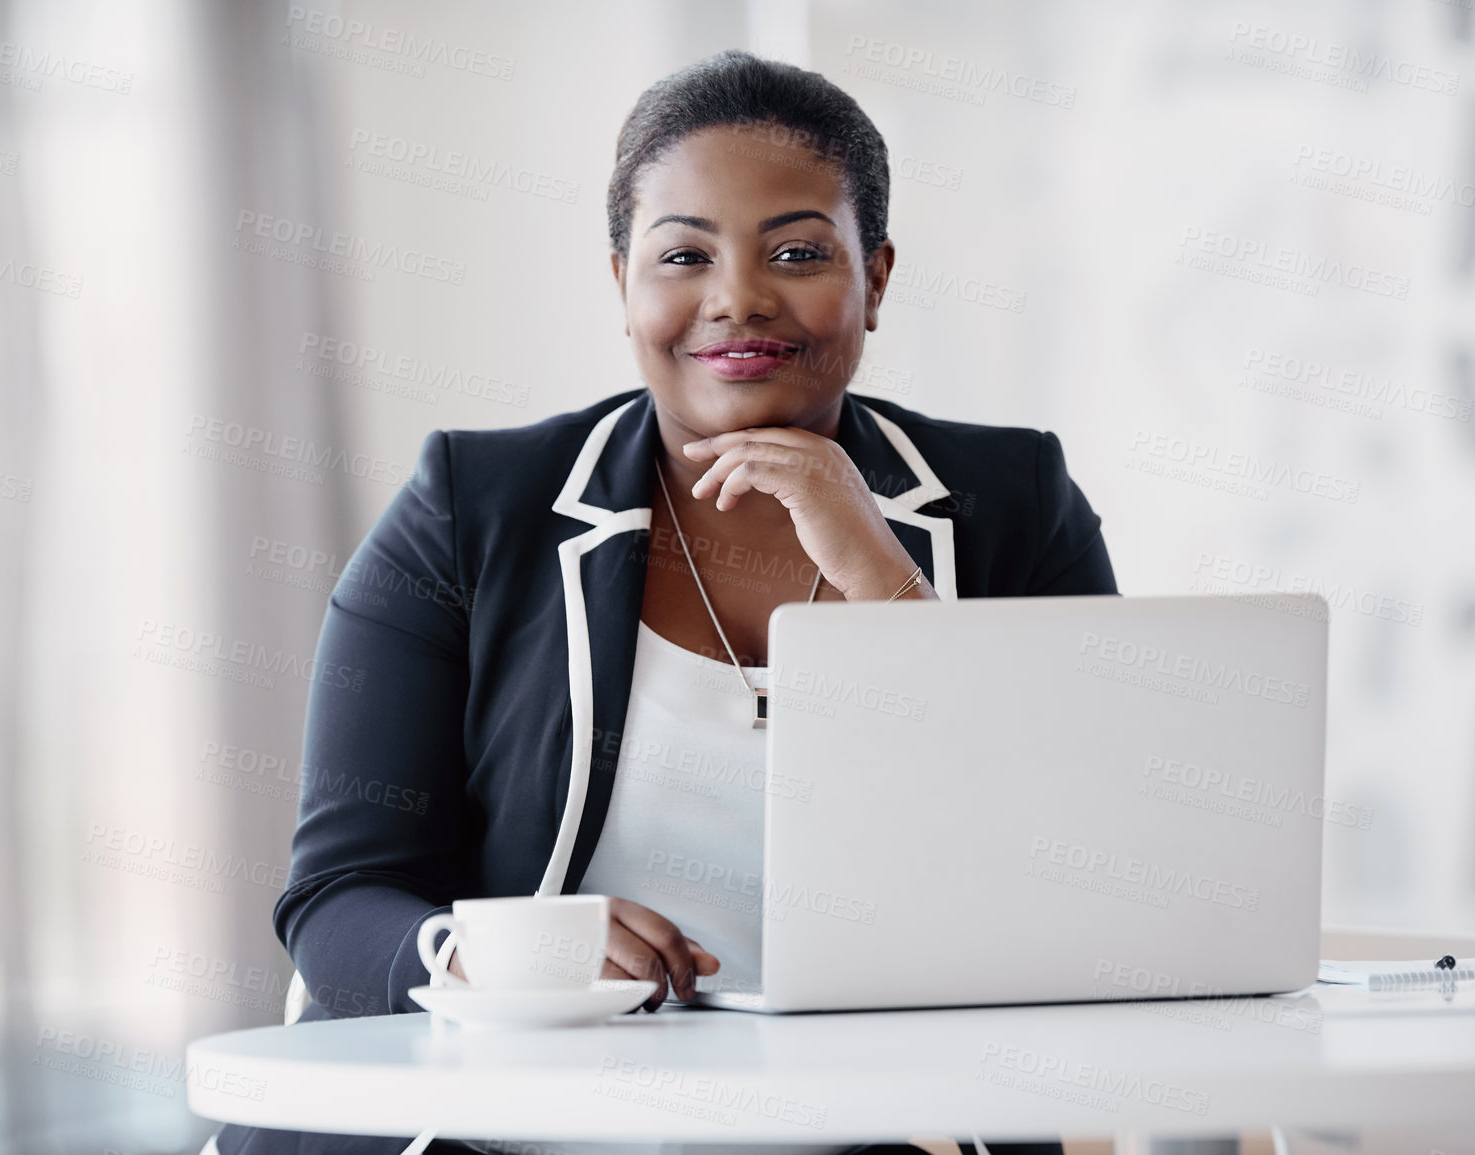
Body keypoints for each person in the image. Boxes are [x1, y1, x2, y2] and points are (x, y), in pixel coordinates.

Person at [215, 49, 1114, 1155]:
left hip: (844, 1127)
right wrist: (501, 959)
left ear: (876, 278)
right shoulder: (470, 507)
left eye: (797, 250)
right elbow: (339, 900)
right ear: (622, 284)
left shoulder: (1013, 502)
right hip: (491, 1130)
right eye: (683, 253)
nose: (737, 297)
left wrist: (884, 577)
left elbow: (1079, 881)